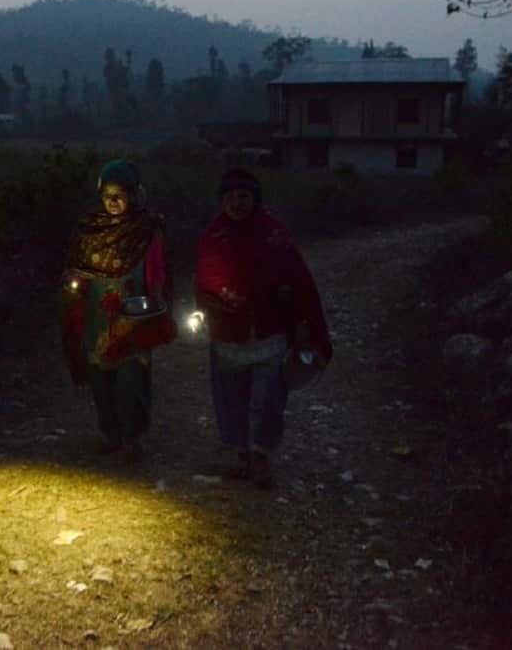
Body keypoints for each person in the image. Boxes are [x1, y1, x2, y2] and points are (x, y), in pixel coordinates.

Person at [194, 167, 332, 488]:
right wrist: (212, 305)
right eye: (230, 197)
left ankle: (260, 455)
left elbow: (298, 281)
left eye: (243, 196)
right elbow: (203, 281)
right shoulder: (214, 236)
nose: (237, 203)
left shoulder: (274, 234)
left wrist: (302, 323)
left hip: (269, 333)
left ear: (255, 198)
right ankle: (238, 453)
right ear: (221, 201)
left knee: (269, 398)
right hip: (228, 334)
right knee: (230, 397)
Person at [61, 159, 175, 464]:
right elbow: (74, 269)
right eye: (107, 194)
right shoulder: (89, 228)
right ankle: (111, 435)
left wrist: (154, 303)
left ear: (134, 194)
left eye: (120, 194)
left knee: (130, 379)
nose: (113, 201)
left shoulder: (147, 229)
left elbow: (159, 272)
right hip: (96, 317)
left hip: (133, 316)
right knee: (100, 378)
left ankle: (131, 438)